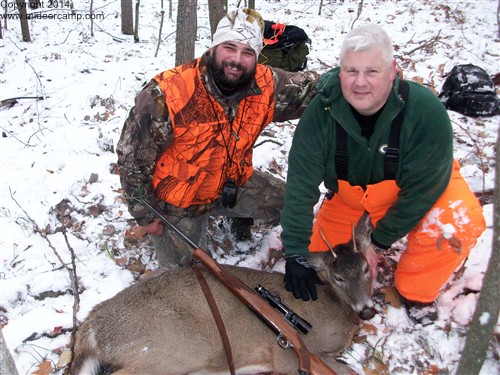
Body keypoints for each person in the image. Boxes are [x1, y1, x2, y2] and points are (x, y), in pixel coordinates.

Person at [280, 23, 486, 325]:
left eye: (372, 72)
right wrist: (296, 253)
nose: (360, 82)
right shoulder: (320, 114)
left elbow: (423, 190)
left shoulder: (425, 111)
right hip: (351, 195)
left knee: (457, 222)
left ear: (392, 70)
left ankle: (415, 290)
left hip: (420, 187)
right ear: (340, 72)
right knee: (321, 259)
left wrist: (377, 244)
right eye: (351, 71)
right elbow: (300, 187)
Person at [116, 8, 319, 267]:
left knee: (292, 203)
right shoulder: (167, 94)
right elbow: (131, 158)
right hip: (179, 202)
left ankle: (237, 222)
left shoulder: (266, 85)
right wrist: (145, 214)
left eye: (247, 52)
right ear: (213, 48)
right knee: (187, 278)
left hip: (231, 182)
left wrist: (362, 81)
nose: (236, 59)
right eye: (229, 47)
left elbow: (317, 91)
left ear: (257, 57)